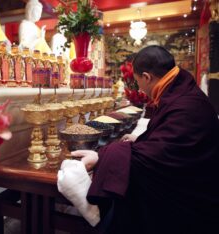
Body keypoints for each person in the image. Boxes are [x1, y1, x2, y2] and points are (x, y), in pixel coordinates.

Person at [72, 45, 219, 234]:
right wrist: (143, 139)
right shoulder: (180, 90)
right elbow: (169, 138)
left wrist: (100, 156)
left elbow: (157, 158)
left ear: (147, 77)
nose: (139, 89)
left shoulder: (186, 104)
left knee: (126, 194)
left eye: (137, 81)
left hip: (193, 199)